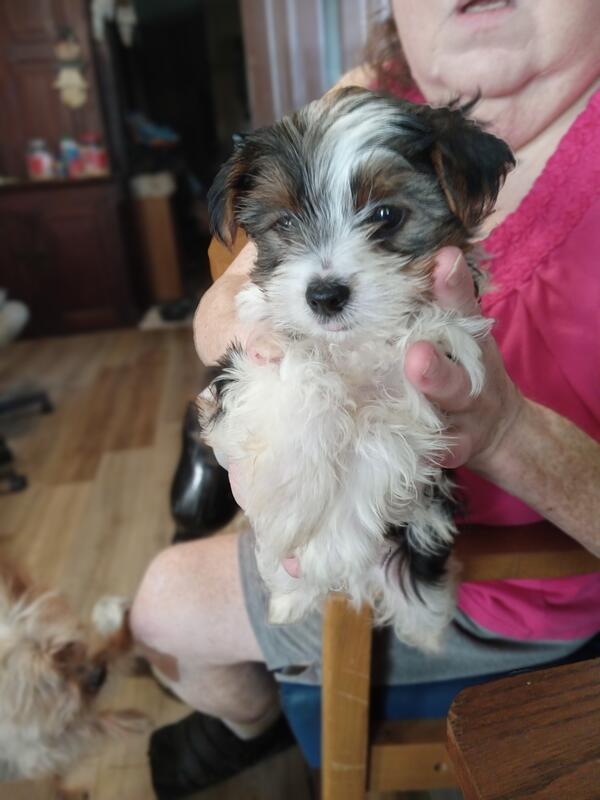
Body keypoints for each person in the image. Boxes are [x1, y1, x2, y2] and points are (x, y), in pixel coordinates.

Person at [131, 2, 600, 796]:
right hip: (354, 514)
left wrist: (506, 433)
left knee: (160, 607)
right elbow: (240, 294)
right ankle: (252, 718)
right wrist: (247, 348)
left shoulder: (436, 143)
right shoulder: (381, 88)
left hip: (501, 580)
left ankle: (246, 729)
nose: (330, 267)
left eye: (385, 219)